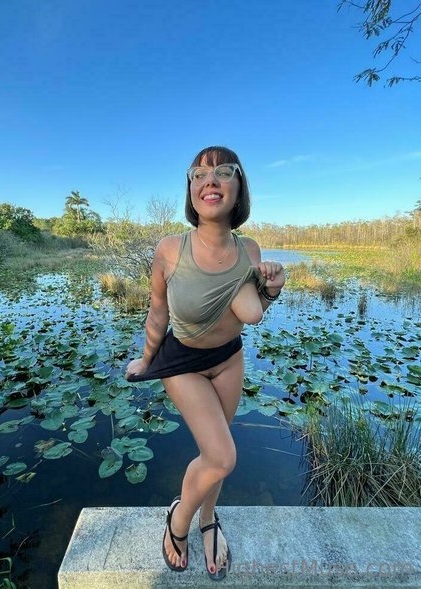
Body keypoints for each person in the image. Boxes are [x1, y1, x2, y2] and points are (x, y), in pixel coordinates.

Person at [125, 146, 285, 581]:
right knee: (221, 456)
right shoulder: (170, 249)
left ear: (239, 187)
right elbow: (158, 311)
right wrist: (145, 359)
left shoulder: (250, 249)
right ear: (191, 189)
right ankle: (179, 520)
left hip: (229, 358)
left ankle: (208, 519)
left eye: (223, 172)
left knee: (216, 451)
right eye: (199, 174)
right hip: (183, 362)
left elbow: (253, 307)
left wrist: (273, 289)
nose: (210, 180)